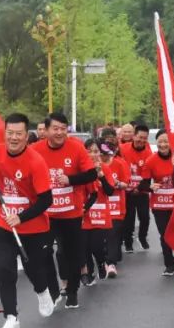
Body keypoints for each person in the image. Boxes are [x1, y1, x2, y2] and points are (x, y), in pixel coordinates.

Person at [0, 113, 59, 328]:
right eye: (9, 133)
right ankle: (11, 318)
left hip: (33, 227)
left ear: (26, 136)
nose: (13, 138)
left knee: (34, 270)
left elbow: (46, 200)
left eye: (18, 134)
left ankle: (42, 291)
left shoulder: (35, 162)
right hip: (3, 224)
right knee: (3, 269)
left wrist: (21, 217)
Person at [33, 112, 96, 309]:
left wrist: (70, 179)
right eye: (55, 129)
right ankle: (54, 289)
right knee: (43, 253)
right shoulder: (35, 150)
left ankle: (72, 291)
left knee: (71, 254)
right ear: (46, 131)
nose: (60, 132)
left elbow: (91, 174)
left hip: (71, 213)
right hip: (46, 214)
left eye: (63, 129)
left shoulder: (76, 147)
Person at [141, 131, 174, 276]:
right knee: (165, 234)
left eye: (166, 141)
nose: (163, 145)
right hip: (159, 205)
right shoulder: (151, 161)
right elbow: (143, 185)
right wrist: (150, 187)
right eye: (160, 142)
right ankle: (169, 265)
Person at [97, 140, 131, 278]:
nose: (103, 156)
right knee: (101, 237)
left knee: (113, 234)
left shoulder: (119, 164)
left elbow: (126, 184)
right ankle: (105, 259)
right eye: (101, 154)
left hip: (116, 206)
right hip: (99, 207)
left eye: (106, 154)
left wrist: (116, 183)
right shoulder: (93, 166)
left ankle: (111, 263)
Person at [81, 139, 112, 286]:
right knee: (85, 247)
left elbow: (110, 191)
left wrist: (101, 176)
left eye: (96, 151)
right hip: (83, 213)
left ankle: (101, 262)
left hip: (99, 214)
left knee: (97, 246)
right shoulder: (80, 168)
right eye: (89, 151)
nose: (92, 155)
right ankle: (90, 273)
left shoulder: (104, 168)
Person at [121, 124, 155, 253]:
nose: (142, 140)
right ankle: (128, 243)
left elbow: (148, 176)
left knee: (145, 217)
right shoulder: (123, 149)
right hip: (126, 191)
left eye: (145, 138)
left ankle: (142, 237)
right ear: (134, 136)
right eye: (140, 137)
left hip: (142, 190)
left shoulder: (149, 153)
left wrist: (138, 189)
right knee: (128, 219)